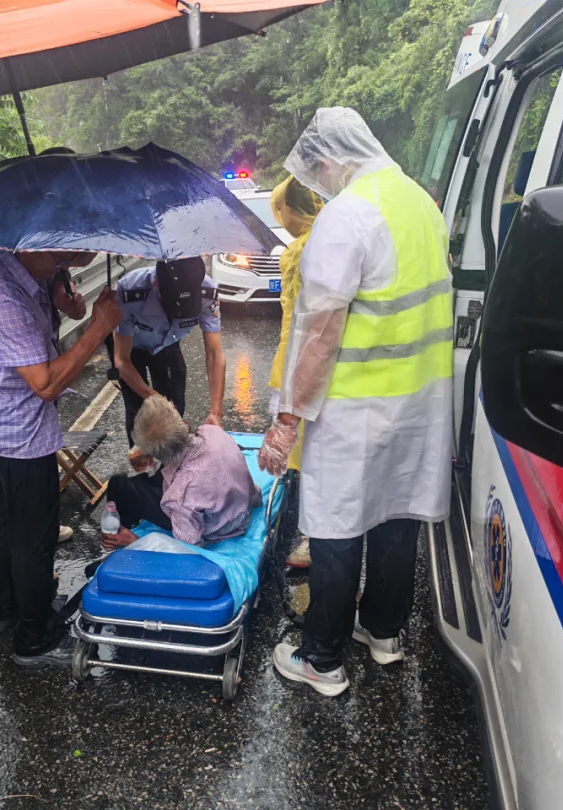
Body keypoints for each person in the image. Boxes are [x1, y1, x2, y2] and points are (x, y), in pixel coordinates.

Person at [259, 107, 453, 697]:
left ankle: (322, 659)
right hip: (418, 405)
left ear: (334, 156)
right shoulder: (420, 201)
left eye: (318, 168)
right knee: (396, 515)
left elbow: (319, 336)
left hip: (353, 410)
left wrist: (286, 420)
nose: (320, 181)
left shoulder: (347, 217)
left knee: (336, 526)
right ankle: (384, 633)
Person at [0, 242, 122, 667]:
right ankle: (35, 637)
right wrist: (99, 328)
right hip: (14, 437)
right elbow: (46, 384)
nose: (68, 262)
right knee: (34, 537)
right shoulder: (0, 296)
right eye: (61, 256)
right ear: (31, 242)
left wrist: (56, 284)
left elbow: (63, 262)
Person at [100, 396, 261, 550]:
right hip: (236, 505)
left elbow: (190, 550)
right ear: (185, 424)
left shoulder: (179, 498)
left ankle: (117, 540)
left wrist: (137, 542)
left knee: (119, 484)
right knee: (134, 476)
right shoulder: (213, 432)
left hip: (216, 526)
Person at [266, 176, 323, 569]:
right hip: (306, 359)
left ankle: (314, 539)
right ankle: (304, 523)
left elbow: (304, 322)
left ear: (288, 209)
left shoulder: (304, 251)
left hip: (303, 361)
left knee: (312, 449)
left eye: (279, 210)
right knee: (305, 449)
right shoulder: (327, 238)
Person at [113, 256, 226, 445]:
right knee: (140, 412)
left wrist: (216, 413)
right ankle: (142, 467)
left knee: (176, 405)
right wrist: (156, 400)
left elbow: (214, 355)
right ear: (156, 285)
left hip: (168, 343)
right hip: (131, 349)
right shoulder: (130, 291)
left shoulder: (208, 292)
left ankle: (171, 468)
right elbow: (122, 360)